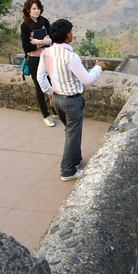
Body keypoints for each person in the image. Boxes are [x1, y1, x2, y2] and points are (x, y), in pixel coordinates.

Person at [37, 19, 108, 181]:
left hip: (57, 100)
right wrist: (99, 67)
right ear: (67, 35)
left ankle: (75, 161)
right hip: (72, 102)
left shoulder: (46, 53)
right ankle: (67, 171)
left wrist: (51, 92)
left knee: (71, 131)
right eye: (71, 31)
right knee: (72, 134)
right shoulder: (71, 56)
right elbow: (86, 79)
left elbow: (40, 77)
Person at [20, 0, 55, 127]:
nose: (37, 11)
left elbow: (53, 39)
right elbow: (27, 47)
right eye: (34, 8)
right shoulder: (25, 25)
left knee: (53, 83)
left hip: (47, 57)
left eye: (38, 8)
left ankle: (55, 110)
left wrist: (38, 42)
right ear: (28, 10)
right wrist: (43, 44)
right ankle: (46, 115)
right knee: (40, 87)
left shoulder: (44, 21)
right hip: (34, 59)